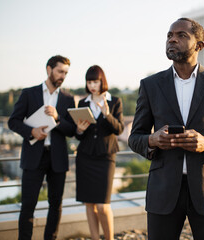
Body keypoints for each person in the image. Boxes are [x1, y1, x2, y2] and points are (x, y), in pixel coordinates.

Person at [128, 18, 204, 240]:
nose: (172, 39)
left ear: (199, 45)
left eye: (181, 35)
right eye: (169, 35)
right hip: (163, 190)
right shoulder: (150, 85)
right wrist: (152, 140)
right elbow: (135, 137)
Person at [8, 55, 76, 240]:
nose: (63, 76)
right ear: (49, 69)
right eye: (60, 71)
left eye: (66, 73)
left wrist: (58, 119)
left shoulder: (68, 99)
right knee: (28, 205)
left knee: (56, 205)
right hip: (33, 157)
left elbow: (72, 130)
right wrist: (32, 132)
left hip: (58, 159)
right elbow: (13, 122)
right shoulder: (29, 93)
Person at [75, 65, 124, 240]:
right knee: (89, 204)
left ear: (102, 81)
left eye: (95, 81)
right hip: (85, 157)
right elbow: (79, 136)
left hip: (106, 157)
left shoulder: (115, 101)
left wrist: (107, 114)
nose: (92, 85)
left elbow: (119, 129)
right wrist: (79, 130)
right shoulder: (82, 103)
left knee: (103, 206)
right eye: (89, 82)